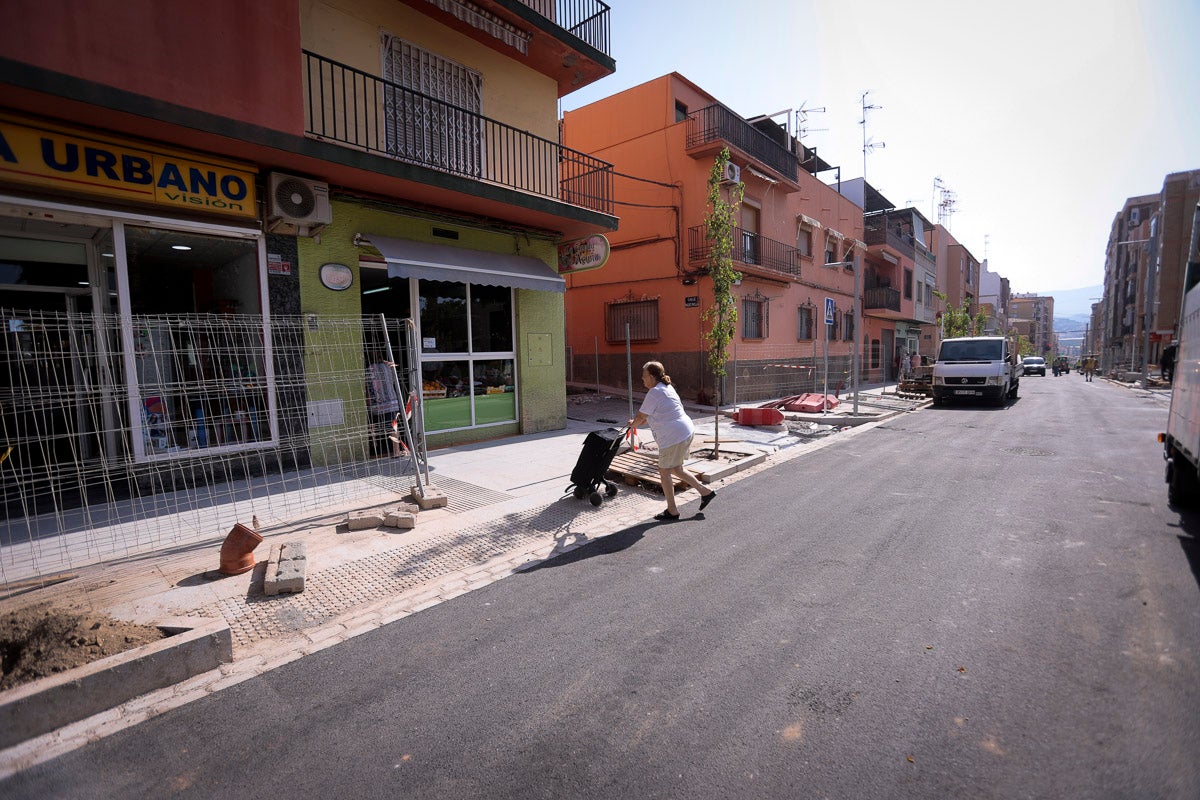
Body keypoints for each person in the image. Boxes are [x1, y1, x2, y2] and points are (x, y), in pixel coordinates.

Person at [629, 361, 716, 521]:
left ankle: (672, 510)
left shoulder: (654, 392)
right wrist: (635, 423)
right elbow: (649, 416)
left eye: (644, 376)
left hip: (674, 436)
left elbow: (641, 417)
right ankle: (705, 492)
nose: (642, 379)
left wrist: (632, 424)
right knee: (677, 469)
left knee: (664, 471)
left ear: (652, 376)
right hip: (685, 431)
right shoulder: (666, 388)